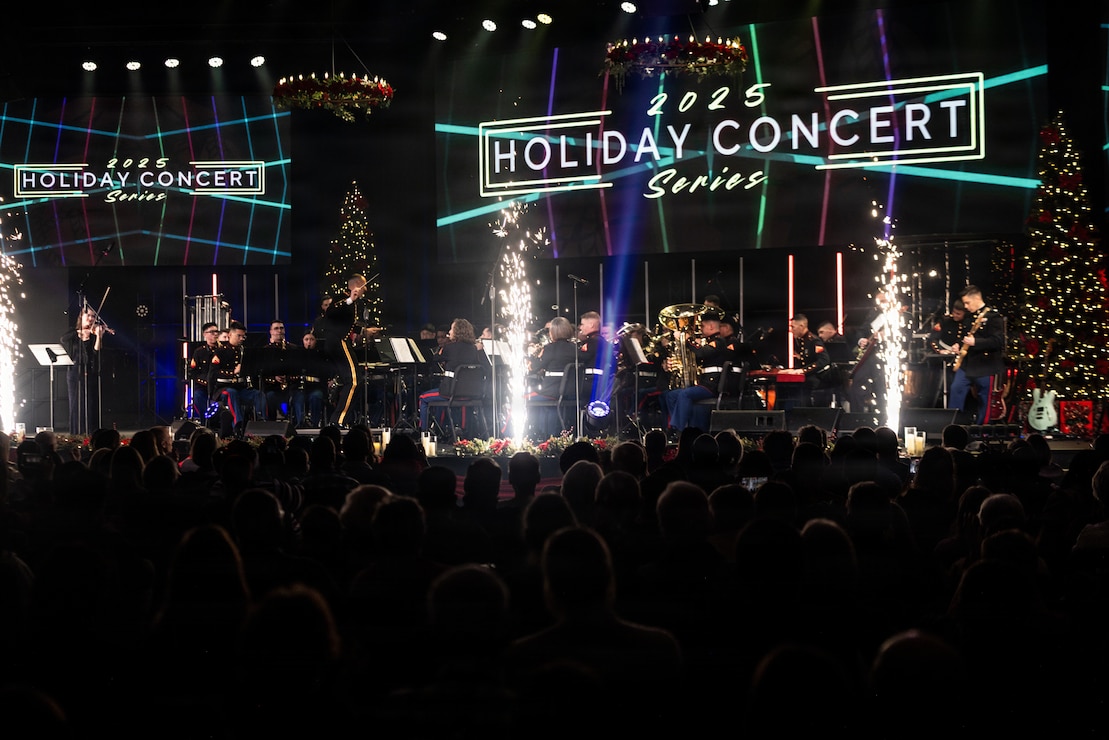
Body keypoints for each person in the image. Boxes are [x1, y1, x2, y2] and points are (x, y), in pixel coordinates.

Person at [663, 314, 734, 432]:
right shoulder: (706, 342)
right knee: (671, 395)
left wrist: (686, 339)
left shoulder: (719, 341)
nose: (700, 328)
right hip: (704, 383)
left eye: (702, 326)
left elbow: (702, 353)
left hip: (712, 385)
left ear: (711, 326)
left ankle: (679, 430)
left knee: (685, 394)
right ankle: (678, 426)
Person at [948, 285, 1005, 424]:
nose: (965, 306)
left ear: (976, 299)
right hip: (967, 365)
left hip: (985, 365)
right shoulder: (968, 317)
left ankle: (981, 431)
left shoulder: (993, 317)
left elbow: (998, 341)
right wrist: (958, 345)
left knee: (985, 398)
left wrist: (976, 342)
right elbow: (964, 337)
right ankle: (953, 426)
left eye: (967, 303)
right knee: (956, 389)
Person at [418, 318, 487, 433]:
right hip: (472, 393)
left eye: (451, 329)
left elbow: (434, 360)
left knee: (423, 398)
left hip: (452, 393)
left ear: (458, 331)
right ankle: (462, 430)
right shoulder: (474, 349)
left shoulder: (449, 348)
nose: (448, 332)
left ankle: (423, 432)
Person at [320, 274, 368, 427]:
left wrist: (365, 330)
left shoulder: (352, 303)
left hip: (340, 341)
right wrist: (349, 300)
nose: (366, 289)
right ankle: (338, 420)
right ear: (357, 285)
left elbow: (346, 324)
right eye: (364, 285)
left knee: (354, 381)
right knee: (354, 381)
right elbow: (330, 313)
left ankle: (340, 419)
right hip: (338, 342)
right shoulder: (343, 297)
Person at [211, 321, 267, 437]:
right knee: (231, 393)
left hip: (240, 387)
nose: (242, 339)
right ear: (230, 335)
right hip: (224, 388)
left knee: (258, 394)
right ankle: (238, 423)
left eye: (243, 336)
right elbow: (214, 373)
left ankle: (261, 421)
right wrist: (232, 372)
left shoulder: (244, 352)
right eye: (239, 336)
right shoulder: (220, 351)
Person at [526, 316, 578, 438]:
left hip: (552, 390)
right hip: (569, 390)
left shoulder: (549, 348)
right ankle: (549, 433)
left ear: (553, 332)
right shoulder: (574, 347)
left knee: (524, 399)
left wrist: (532, 355)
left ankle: (535, 434)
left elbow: (533, 368)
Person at [60, 305, 106, 435]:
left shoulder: (94, 334)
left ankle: (91, 433)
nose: (91, 319)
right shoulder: (74, 333)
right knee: (75, 405)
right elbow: (63, 339)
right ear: (82, 316)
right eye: (88, 316)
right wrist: (80, 331)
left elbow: (96, 354)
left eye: (93, 317)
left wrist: (98, 337)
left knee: (90, 404)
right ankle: (76, 434)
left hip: (90, 373)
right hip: (74, 373)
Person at [778, 313, 832, 408]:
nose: (791, 330)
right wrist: (793, 370)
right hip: (807, 377)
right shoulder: (802, 340)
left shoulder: (814, 341)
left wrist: (802, 371)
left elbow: (824, 360)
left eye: (793, 327)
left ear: (801, 326)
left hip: (817, 378)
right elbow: (804, 362)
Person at [927, 299, 969, 407]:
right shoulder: (945, 321)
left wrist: (959, 346)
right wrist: (940, 350)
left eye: (958, 314)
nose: (955, 315)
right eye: (954, 312)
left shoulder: (968, 323)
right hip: (944, 356)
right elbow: (933, 338)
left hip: (962, 359)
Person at [260, 320, 296, 424]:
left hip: (290, 386)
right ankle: (271, 424)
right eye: (276, 328)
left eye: (281, 328)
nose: (279, 331)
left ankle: (296, 424)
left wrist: (287, 378)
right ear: (270, 331)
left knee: (297, 396)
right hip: (272, 387)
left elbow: (297, 369)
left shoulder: (293, 349)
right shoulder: (265, 350)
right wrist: (274, 377)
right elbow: (263, 372)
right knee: (270, 397)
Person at [188, 322, 221, 424]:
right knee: (198, 396)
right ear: (205, 334)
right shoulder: (199, 352)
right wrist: (204, 380)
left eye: (216, 332)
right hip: (203, 386)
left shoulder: (221, 350)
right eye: (212, 332)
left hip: (218, 385)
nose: (215, 334)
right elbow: (193, 371)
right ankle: (206, 422)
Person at [296, 332, 331, 428]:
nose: (309, 342)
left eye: (311, 339)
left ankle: (314, 424)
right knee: (298, 398)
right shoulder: (298, 356)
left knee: (315, 397)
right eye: (306, 339)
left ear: (316, 341)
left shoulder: (321, 356)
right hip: (301, 387)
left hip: (316, 387)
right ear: (303, 341)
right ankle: (300, 423)